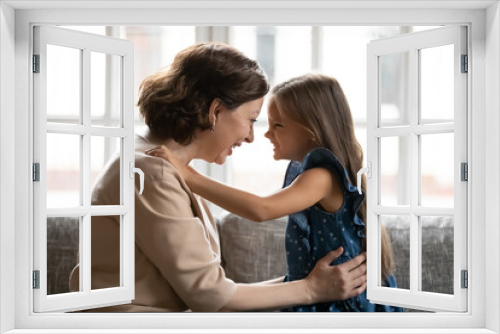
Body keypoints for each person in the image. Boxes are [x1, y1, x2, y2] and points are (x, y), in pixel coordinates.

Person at [69, 44, 367, 312]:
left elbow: (213, 293)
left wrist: (309, 286)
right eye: (251, 119)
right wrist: (310, 289)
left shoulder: (158, 164)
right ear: (215, 111)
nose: (252, 136)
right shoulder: (155, 172)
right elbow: (211, 297)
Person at [146, 73, 403, 312]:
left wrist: (188, 175)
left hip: (343, 308)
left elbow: (261, 209)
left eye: (277, 125)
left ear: (312, 130)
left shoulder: (322, 176)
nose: (266, 134)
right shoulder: (317, 173)